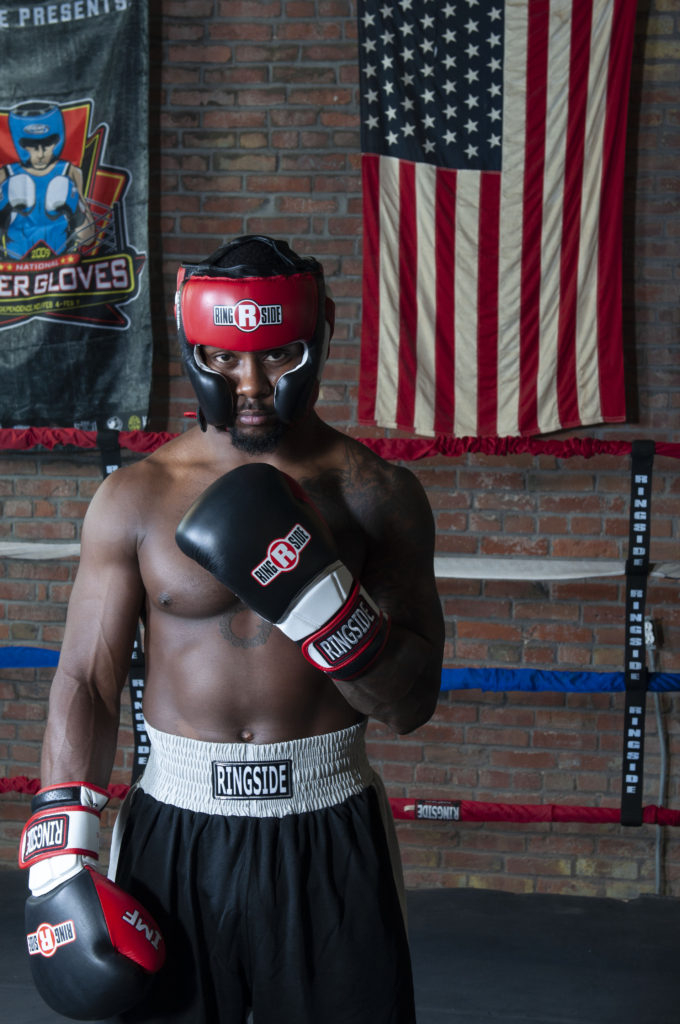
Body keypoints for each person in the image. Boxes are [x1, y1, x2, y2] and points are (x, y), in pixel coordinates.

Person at [19, 235, 445, 1023]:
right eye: (223, 359)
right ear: (192, 348)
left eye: (279, 356)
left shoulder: (376, 494)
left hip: (328, 825)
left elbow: (411, 703)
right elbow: (86, 678)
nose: (250, 384)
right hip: (175, 830)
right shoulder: (135, 497)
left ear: (321, 338)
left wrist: (328, 613)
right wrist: (60, 846)